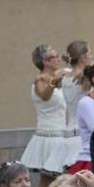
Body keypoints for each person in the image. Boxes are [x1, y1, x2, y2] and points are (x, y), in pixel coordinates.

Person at [20, 44, 81, 179]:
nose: (59, 59)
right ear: (45, 61)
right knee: (48, 181)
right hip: (50, 136)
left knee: (65, 180)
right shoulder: (40, 80)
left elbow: (80, 73)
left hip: (63, 134)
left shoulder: (61, 75)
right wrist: (54, 81)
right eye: (55, 56)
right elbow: (44, 96)